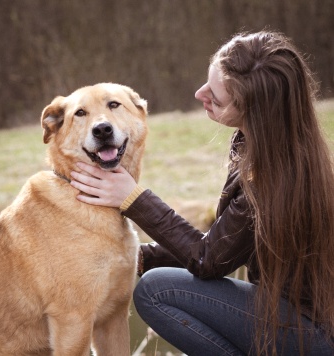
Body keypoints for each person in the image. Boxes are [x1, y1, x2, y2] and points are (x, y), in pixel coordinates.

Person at [70, 31, 334, 355]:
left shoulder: (273, 177)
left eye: (216, 97)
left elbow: (208, 260)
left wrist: (133, 197)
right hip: (298, 321)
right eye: (207, 82)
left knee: (156, 291)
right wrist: (136, 256)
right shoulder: (276, 146)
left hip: (311, 336)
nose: (199, 94)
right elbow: (225, 243)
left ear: (256, 112)